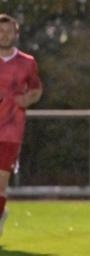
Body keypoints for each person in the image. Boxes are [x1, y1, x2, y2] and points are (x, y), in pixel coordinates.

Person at [0, 14, 43, 237]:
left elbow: (36, 89)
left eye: (8, 31)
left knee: (1, 181)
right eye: (1, 31)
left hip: (10, 129)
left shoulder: (27, 62)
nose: (4, 35)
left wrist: (28, 99)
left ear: (16, 34)